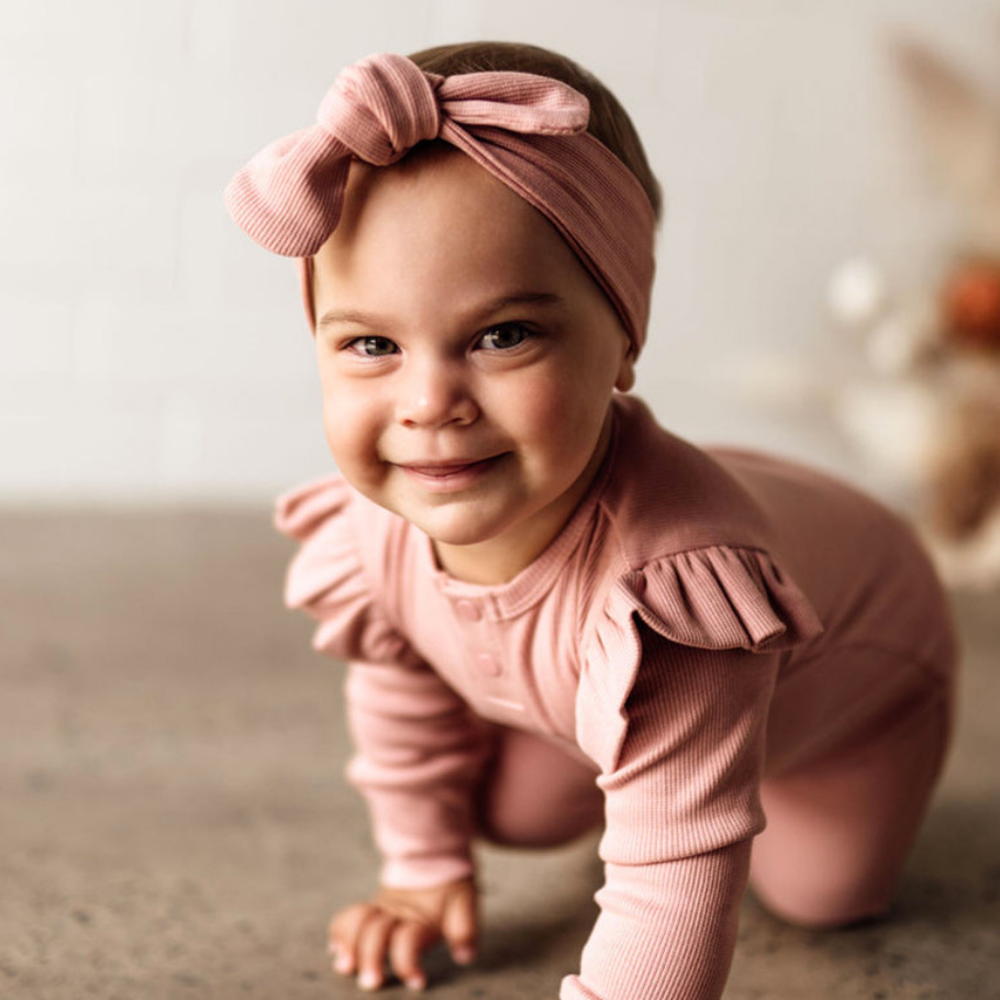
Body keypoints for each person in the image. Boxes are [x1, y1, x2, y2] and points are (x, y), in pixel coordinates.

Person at [224, 42, 959, 1000]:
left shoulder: (675, 604)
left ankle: (734, 754)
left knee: (819, 893)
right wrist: (422, 869)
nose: (429, 403)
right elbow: (401, 693)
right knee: (513, 812)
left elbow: (671, 892)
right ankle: (641, 746)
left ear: (621, 340)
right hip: (627, 615)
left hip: (857, 678)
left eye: (504, 336)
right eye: (372, 344)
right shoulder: (385, 528)